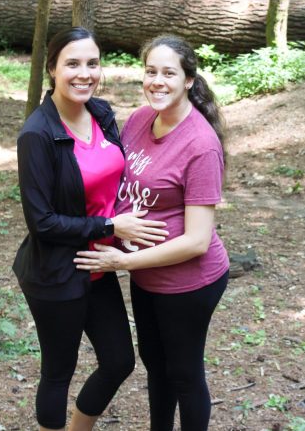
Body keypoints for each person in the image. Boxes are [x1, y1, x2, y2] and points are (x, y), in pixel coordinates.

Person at [13, 27, 169, 431]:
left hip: (99, 265)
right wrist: (111, 224)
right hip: (56, 272)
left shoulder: (101, 113)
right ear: (52, 69)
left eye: (92, 63)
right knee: (58, 372)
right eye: (72, 64)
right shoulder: (37, 135)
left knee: (119, 361)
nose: (85, 73)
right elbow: (41, 221)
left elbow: (115, 181)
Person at [73, 35, 230, 431]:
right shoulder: (142, 119)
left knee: (184, 373)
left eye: (169, 73)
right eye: (150, 72)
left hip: (189, 282)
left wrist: (121, 261)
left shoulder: (200, 145)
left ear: (189, 80)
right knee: (155, 366)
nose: (157, 82)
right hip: (146, 276)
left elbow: (196, 240)